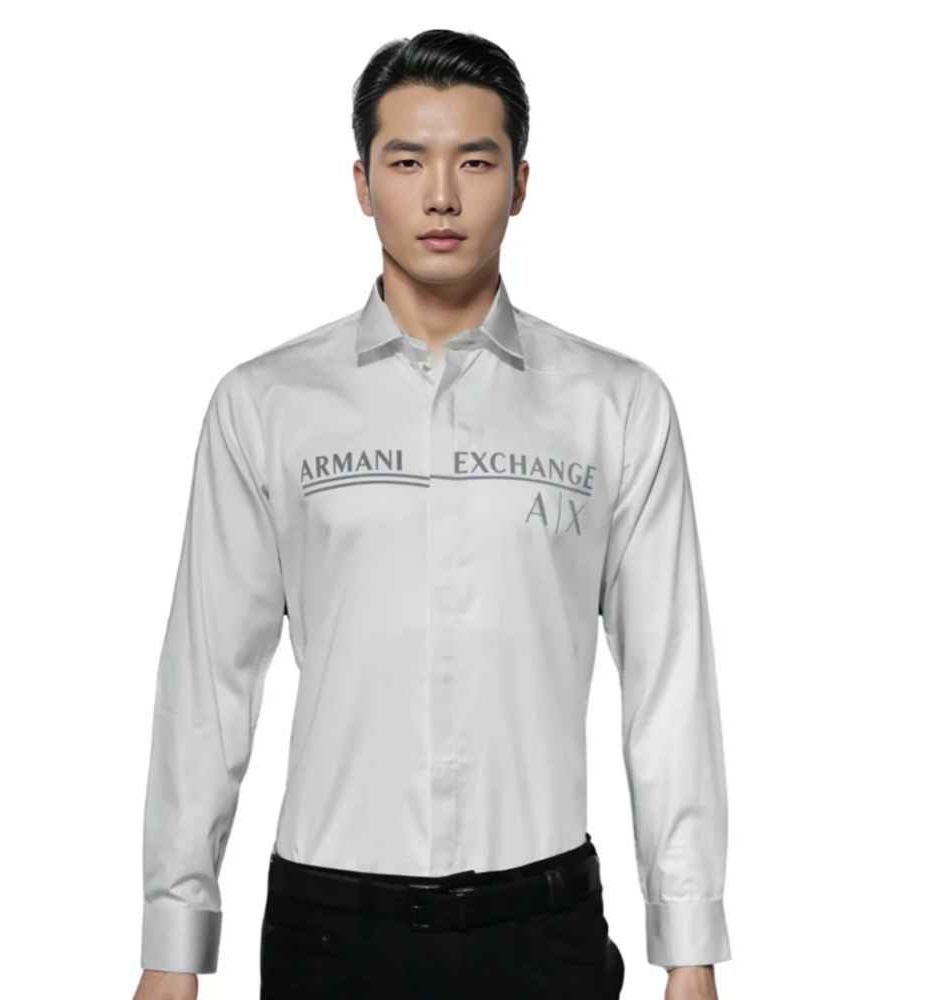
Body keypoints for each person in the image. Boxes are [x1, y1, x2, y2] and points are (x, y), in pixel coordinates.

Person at [133, 27, 730, 1000]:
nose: (441, 195)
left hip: (542, 929)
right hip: (330, 930)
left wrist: (688, 944)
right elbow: (208, 682)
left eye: (475, 162)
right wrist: (174, 942)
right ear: (363, 183)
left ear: (520, 183)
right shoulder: (266, 404)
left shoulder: (614, 406)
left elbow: (668, 685)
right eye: (407, 161)